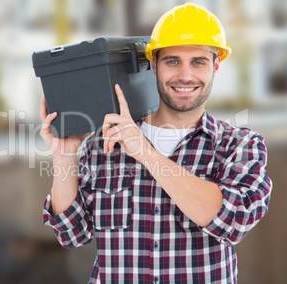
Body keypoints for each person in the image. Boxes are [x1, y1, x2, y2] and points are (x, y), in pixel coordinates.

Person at [40, 3, 272, 283]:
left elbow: (234, 221)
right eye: (172, 61)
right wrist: (65, 156)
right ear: (153, 66)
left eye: (198, 61)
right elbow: (72, 234)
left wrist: (146, 154)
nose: (185, 75)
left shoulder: (240, 146)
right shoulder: (105, 142)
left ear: (216, 66)